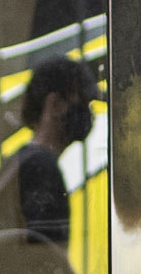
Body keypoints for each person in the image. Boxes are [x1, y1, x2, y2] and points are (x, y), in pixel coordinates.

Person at [11, 57, 93, 244]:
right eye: (83, 102)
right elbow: (47, 257)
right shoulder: (42, 169)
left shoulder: (19, 161)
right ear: (54, 104)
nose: (87, 113)